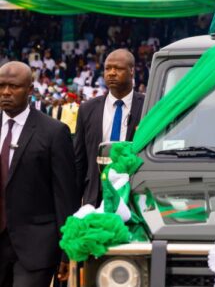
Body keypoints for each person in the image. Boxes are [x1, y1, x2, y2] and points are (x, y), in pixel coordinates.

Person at [0, 61, 78, 286]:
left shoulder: (54, 132)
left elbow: (65, 196)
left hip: (36, 247)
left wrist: (67, 249)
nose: (6, 92)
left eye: (13, 86)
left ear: (30, 90)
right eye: (2, 85)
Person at [74, 49, 145, 206]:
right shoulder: (87, 109)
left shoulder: (148, 106)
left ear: (132, 71)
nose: (111, 73)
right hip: (96, 195)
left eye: (118, 68)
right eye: (108, 68)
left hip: (134, 192)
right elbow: (80, 159)